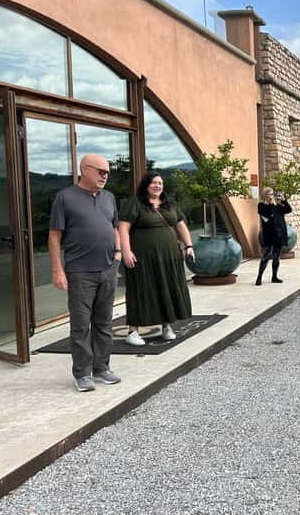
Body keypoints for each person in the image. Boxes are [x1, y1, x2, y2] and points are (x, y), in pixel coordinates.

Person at [48, 154, 122, 392]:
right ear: (85, 170)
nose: (105, 176)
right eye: (101, 171)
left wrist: (118, 253)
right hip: (80, 272)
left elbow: (115, 227)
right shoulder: (65, 198)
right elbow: (54, 236)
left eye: (108, 172)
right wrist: (58, 270)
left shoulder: (108, 197)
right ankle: (82, 373)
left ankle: (101, 369)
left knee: (104, 323)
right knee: (81, 326)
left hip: (108, 269)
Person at [118, 172, 194, 347]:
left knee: (166, 288)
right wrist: (126, 252)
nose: (157, 186)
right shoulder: (135, 204)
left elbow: (180, 224)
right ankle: (132, 331)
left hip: (169, 257)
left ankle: (166, 327)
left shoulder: (169, 204)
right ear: (146, 185)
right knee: (142, 290)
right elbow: (123, 228)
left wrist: (189, 246)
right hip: (143, 258)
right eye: (153, 183)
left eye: (160, 183)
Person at [256, 187, 292, 285]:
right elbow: (268, 214)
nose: (272, 196)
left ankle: (274, 277)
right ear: (265, 195)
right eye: (270, 194)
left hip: (279, 235)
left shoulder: (277, 206)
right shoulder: (261, 206)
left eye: (272, 194)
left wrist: (284, 200)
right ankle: (259, 277)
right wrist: (272, 204)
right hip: (269, 235)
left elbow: (288, 209)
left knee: (276, 257)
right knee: (266, 256)